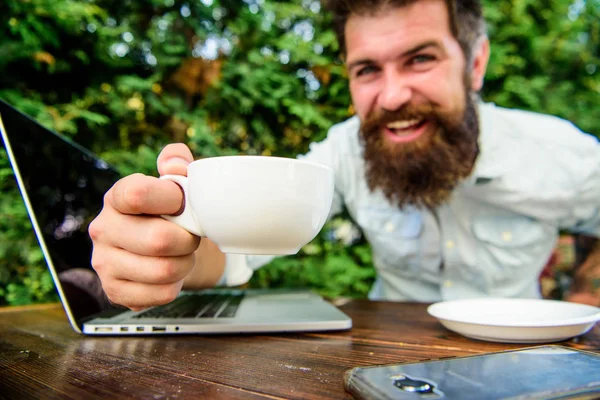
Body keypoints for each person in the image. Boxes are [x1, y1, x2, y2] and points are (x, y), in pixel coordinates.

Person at [88, 0, 600, 311]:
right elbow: (241, 245)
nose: (393, 96)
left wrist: (586, 298)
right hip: (383, 363)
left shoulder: (563, 154)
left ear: (476, 63)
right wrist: (170, 253)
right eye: (367, 70)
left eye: (420, 59)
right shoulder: (343, 151)